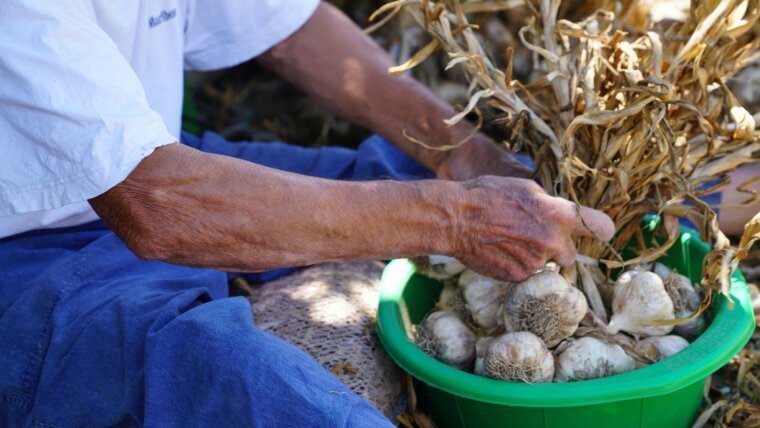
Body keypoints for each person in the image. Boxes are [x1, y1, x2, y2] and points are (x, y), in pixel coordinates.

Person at [0, 1, 617, 426]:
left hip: (151, 159)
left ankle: (685, 218)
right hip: (32, 250)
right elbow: (161, 206)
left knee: (422, 179)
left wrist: (459, 151)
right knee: (231, 379)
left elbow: (289, 28)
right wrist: (454, 219)